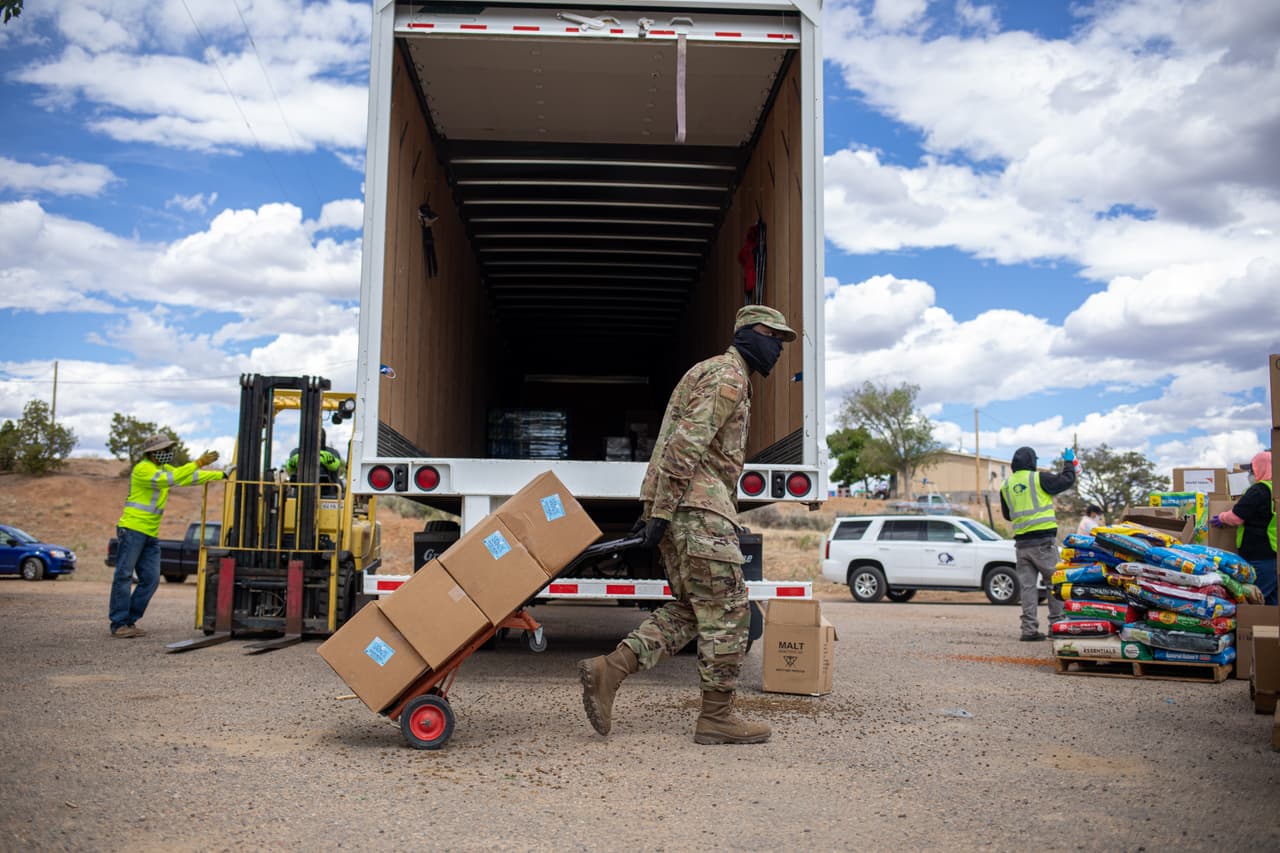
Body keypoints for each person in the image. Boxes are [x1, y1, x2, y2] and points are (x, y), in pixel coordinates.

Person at [578, 304, 796, 745]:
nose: (777, 350)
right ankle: (716, 718)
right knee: (730, 612)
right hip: (698, 510)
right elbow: (685, 444)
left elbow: (670, 446)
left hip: (682, 506)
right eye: (773, 338)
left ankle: (610, 669)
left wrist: (656, 509)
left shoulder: (710, 372)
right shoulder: (728, 377)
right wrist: (658, 515)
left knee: (694, 610)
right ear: (749, 334)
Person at [109, 435, 223, 638]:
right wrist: (197, 462)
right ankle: (118, 624)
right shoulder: (143, 469)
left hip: (150, 533)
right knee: (124, 575)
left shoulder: (163, 468)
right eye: (165, 450)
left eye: (169, 449)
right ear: (153, 453)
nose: (168, 453)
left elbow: (189, 477)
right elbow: (170, 480)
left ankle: (129, 621)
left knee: (151, 580)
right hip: (133, 529)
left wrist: (221, 475)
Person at [1000, 446, 1077, 641]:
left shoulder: (1006, 485)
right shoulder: (1038, 478)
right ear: (1032, 461)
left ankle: (1028, 630)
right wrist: (1069, 463)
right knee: (1055, 583)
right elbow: (1067, 480)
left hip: (1021, 544)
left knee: (1027, 587)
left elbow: (1008, 515)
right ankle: (1057, 625)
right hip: (1043, 543)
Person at [1211, 451, 1276, 605]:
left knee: (1256, 599)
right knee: (1272, 601)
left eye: (1252, 470)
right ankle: (1271, 628)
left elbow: (1236, 517)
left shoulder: (1259, 490)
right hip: (1273, 555)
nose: (1250, 475)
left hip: (1260, 554)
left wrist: (1221, 518)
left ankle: (1252, 628)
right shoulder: (1276, 489)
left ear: (1262, 469)